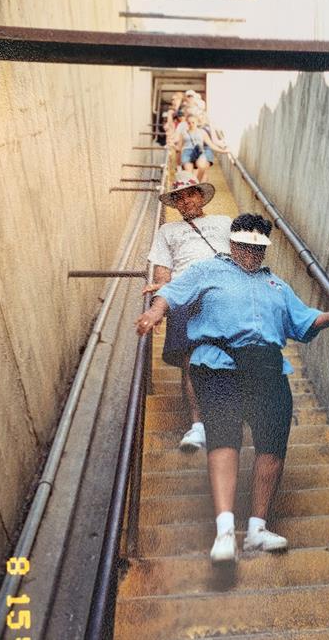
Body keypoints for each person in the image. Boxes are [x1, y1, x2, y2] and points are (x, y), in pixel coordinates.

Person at [135, 213, 329, 563]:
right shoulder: (207, 271)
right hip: (218, 366)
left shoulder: (277, 285)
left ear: (265, 249)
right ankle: (224, 532)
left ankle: (257, 530)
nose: (250, 253)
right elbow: (171, 293)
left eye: (257, 248)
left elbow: (304, 321)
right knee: (224, 438)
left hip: (268, 368)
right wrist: (154, 313)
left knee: (272, 444)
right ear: (232, 242)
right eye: (244, 246)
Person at [137, 172, 232, 450]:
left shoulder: (224, 222)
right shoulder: (167, 231)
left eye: (191, 194)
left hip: (223, 291)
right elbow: (163, 274)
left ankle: (231, 417)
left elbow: (244, 256)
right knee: (192, 358)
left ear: (201, 196)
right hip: (185, 293)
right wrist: (159, 304)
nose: (185, 200)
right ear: (175, 204)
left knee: (232, 352)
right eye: (179, 197)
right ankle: (198, 425)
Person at [174, 112, 227, 183]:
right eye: (189, 123)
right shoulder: (183, 133)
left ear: (197, 122)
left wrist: (223, 151)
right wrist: (178, 164)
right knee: (189, 173)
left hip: (199, 151)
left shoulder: (202, 132)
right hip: (187, 152)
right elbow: (179, 148)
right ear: (186, 123)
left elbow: (211, 144)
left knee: (202, 166)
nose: (191, 124)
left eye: (193, 122)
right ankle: (192, 184)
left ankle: (197, 183)